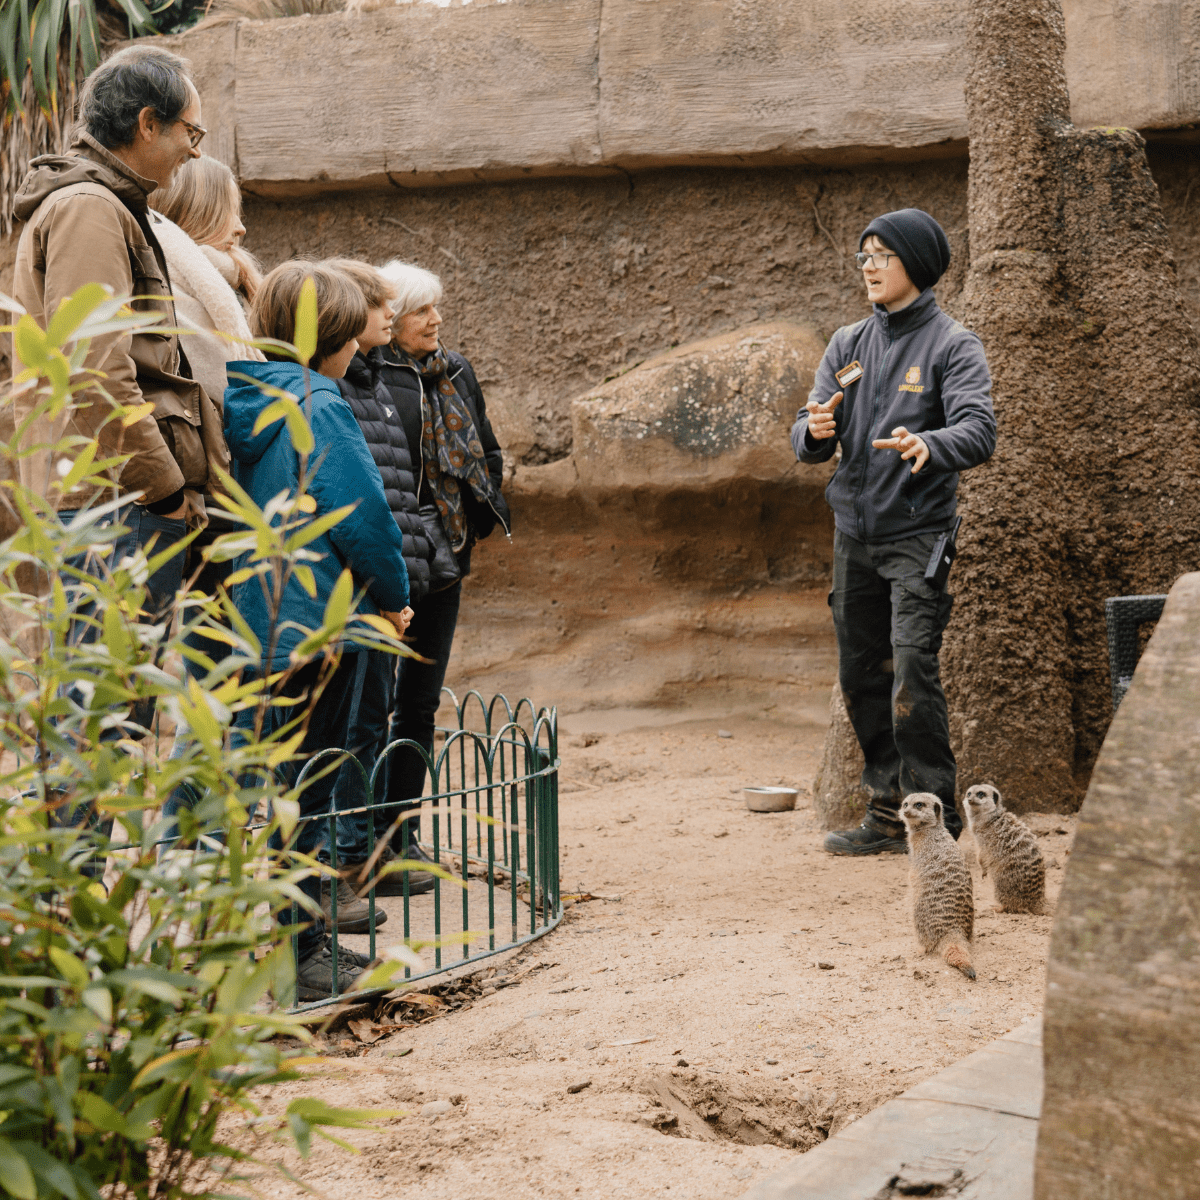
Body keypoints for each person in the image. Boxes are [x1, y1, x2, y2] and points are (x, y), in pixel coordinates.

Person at [224, 261, 413, 1000]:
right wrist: (393, 597)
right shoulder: (321, 405)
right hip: (321, 620)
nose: (362, 350)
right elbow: (363, 518)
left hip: (263, 622)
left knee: (274, 787)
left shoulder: (248, 394)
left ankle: (276, 947)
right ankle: (304, 957)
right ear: (332, 336)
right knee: (313, 787)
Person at [791, 208, 996, 856]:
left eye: (883, 255)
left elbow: (979, 430)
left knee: (911, 668)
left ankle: (936, 821)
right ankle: (886, 814)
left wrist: (928, 443)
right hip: (854, 535)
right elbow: (807, 432)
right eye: (864, 256)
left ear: (917, 263)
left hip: (917, 535)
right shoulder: (847, 344)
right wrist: (812, 432)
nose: (870, 267)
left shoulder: (952, 345)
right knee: (861, 675)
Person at [371, 260, 509, 876]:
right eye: (423, 311)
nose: (437, 320)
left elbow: (486, 450)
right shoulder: (366, 374)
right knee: (372, 702)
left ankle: (404, 836)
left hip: (446, 558)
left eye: (436, 308)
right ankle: (364, 842)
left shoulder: (455, 370)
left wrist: (472, 524)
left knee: (420, 706)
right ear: (392, 318)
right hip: (393, 559)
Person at [148, 154, 266, 837]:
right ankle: (183, 844)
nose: (243, 230)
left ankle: (211, 845)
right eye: (231, 212)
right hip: (206, 506)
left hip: (232, 508)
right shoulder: (187, 292)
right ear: (195, 214)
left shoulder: (226, 286)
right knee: (215, 684)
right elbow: (222, 400)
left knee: (231, 684)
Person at [318, 258, 434, 930]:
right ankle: (339, 866)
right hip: (353, 591)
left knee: (367, 722)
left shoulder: (376, 380)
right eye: (379, 304)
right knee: (345, 729)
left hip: (388, 577)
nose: (390, 315)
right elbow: (360, 505)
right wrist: (390, 587)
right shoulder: (334, 394)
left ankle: (357, 856)